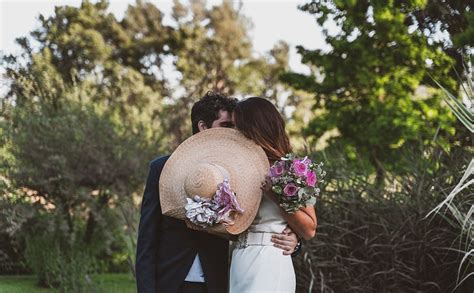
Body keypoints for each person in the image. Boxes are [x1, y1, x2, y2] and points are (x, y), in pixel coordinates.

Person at [136, 92, 300, 293]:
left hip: (218, 283)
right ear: (203, 126)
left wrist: (294, 241)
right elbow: (147, 239)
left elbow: (258, 219)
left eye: (235, 126)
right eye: (226, 125)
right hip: (170, 282)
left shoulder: (243, 170)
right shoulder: (162, 168)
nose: (234, 133)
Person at [230, 97, 318, 293]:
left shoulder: (292, 169)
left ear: (255, 128)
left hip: (268, 260)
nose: (234, 134)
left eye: (238, 127)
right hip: (239, 260)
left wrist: (276, 196)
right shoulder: (236, 168)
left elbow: (310, 229)